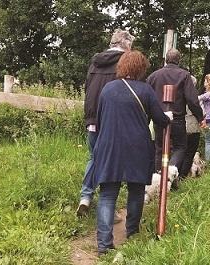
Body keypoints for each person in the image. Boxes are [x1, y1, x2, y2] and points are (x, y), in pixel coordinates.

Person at [92, 50, 173, 256]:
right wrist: (169, 116)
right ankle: (132, 234)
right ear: (140, 69)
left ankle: (103, 244)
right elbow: (160, 120)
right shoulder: (145, 91)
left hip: (109, 146)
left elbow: (100, 120)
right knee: (136, 191)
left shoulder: (108, 89)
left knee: (108, 194)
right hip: (137, 147)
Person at [76, 29, 135, 219]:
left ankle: (86, 197)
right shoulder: (124, 63)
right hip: (113, 120)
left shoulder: (95, 61)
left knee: (94, 157)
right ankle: (107, 209)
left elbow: (87, 89)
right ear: (126, 45)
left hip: (92, 119)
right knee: (112, 163)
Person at [146, 48, 204, 181]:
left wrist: (146, 119)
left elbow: (147, 98)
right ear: (179, 60)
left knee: (159, 149)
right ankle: (169, 175)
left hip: (159, 118)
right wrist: (199, 117)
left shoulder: (153, 76)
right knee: (180, 147)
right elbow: (192, 100)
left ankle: (158, 179)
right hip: (177, 119)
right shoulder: (184, 75)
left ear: (166, 59)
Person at [179, 75, 205, 179]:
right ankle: (182, 176)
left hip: (180, 126)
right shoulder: (196, 98)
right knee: (190, 153)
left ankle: (176, 174)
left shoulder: (178, 97)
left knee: (180, 151)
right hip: (193, 128)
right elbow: (203, 112)